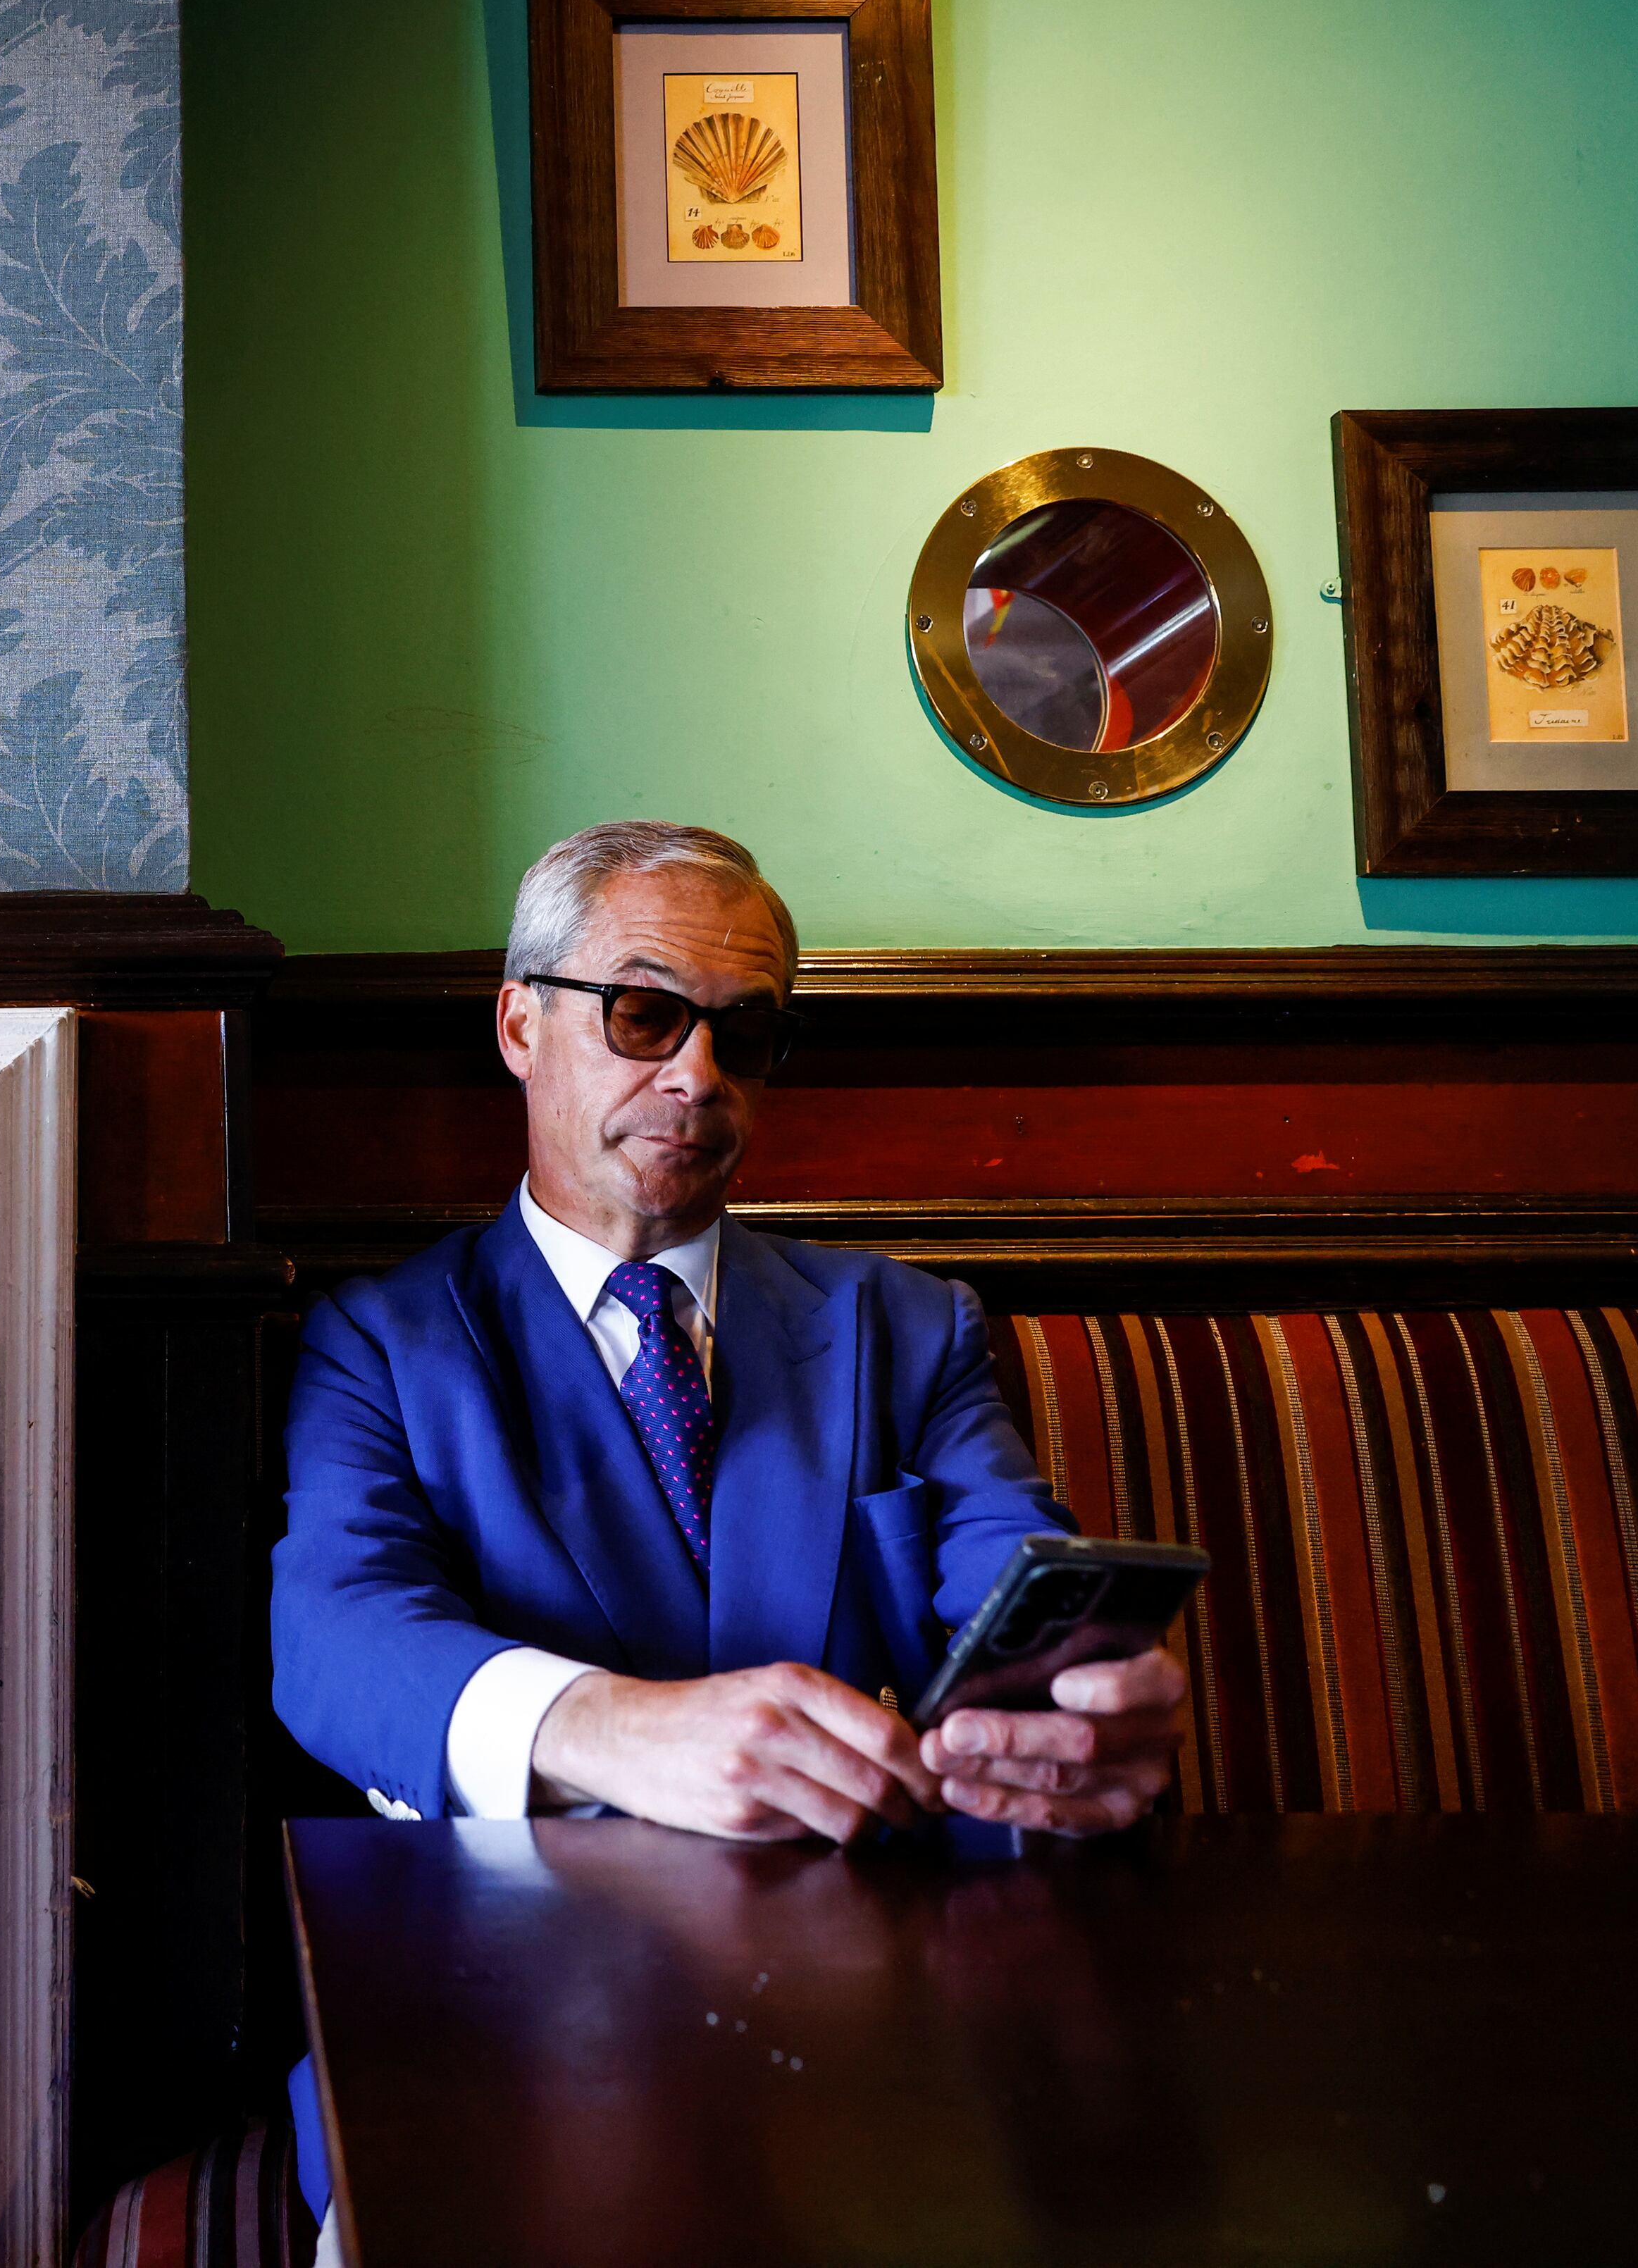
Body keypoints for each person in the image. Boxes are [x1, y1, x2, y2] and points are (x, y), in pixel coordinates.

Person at [268, 822, 1189, 2252]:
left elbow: (1012, 1577)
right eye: (642, 1014)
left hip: (859, 2029)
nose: (694, 1075)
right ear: (520, 1023)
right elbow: (332, 1638)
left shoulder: (906, 1326)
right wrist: (615, 1729)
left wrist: (1081, 1708)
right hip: (493, 2016)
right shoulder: (379, 1345)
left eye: (743, 1035)